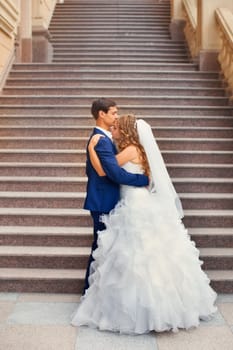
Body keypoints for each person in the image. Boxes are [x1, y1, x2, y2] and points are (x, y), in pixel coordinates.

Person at [71, 114, 217, 334]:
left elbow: (105, 171)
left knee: (135, 256)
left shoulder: (130, 150)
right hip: (140, 199)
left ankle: (139, 311)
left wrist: (91, 149)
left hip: (133, 202)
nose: (113, 130)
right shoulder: (139, 150)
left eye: (117, 127)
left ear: (127, 130)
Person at [82, 99, 149, 292]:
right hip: (104, 201)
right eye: (113, 113)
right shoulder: (101, 140)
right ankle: (90, 291)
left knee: (105, 248)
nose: (116, 116)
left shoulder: (106, 140)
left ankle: (100, 291)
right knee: (100, 247)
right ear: (101, 114)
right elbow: (113, 174)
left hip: (111, 199)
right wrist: (145, 180)